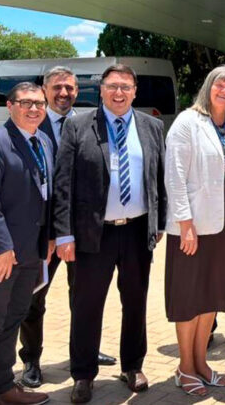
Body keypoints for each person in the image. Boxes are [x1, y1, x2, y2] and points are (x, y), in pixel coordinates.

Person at [52, 64, 166, 403]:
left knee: (135, 302)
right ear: (101, 90)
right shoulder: (77, 126)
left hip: (136, 233)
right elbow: (63, 184)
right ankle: (83, 374)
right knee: (87, 305)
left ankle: (133, 365)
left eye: (126, 87)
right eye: (113, 86)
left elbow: (158, 179)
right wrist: (64, 234)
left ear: (135, 92)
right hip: (91, 234)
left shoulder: (152, 126)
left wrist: (159, 223)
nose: (119, 93)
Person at [20, 66, 115, 389]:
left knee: (86, 296)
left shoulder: (87, 123)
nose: (64, 93)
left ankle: (85, 351)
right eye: (57, 87)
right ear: (44, 90)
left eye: (70, 88)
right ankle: (31, 359)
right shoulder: (32, 123)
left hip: (82, 229)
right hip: (42, 231)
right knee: (34, 298)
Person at [164, 66, 225, 396]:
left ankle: (201, 363)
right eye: (220, 85)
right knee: (189, 296)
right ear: (208, 87)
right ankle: (185, 368)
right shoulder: (188, 121)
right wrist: (185, 224)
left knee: (211, 294)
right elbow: (175, 175)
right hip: (194, 227)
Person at [0, 82, 53, 405]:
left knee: (13, 320)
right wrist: (2, 249)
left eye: (40, 104)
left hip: (31, 253)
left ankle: (5, 385)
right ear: (10, 105)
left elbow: (45, 196)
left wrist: (47, 240)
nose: (34, 109)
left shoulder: (42, 141)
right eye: (26, 103)